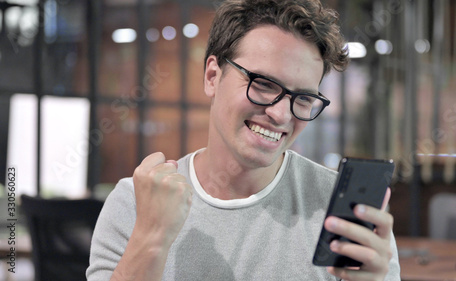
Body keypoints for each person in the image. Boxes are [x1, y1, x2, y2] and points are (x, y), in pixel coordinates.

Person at [87, 0, 400, 280]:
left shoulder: (338, 212)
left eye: (303, 98)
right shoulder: (135, 204)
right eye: (263, 84)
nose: (280, 115)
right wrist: (152, 237)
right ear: (213, 76)